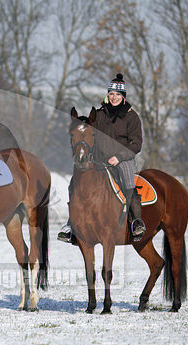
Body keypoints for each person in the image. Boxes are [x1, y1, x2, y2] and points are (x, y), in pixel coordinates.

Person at [58, 73, 145, 242]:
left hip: (123, 160)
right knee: (74, 184)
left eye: (118, 94)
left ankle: (136, 222)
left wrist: (118, 157)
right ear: (108, 94)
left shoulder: (131, 116)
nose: (114, 97)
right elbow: (88, 131)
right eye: (111, 94)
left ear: (123, 96)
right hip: (98, 160)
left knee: (128, 184)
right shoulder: (99, 114)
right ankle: (71, 225)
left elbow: (136, 144)